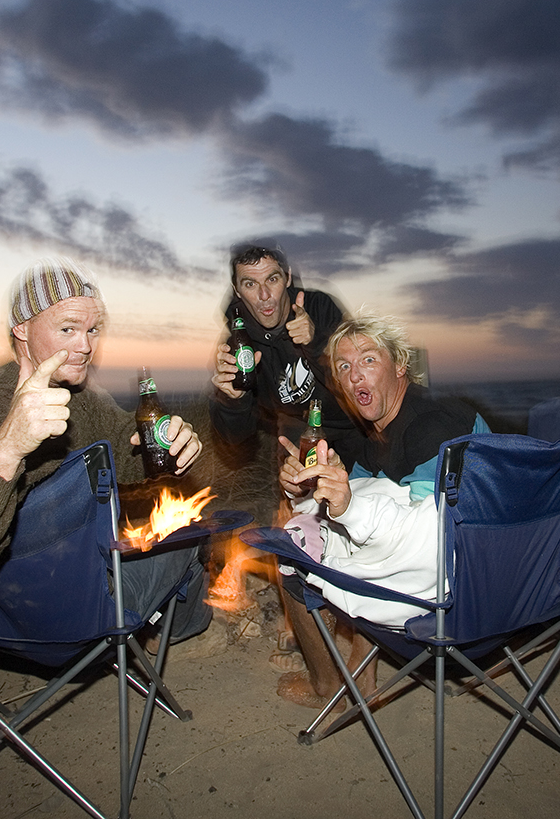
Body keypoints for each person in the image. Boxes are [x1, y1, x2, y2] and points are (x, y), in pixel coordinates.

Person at [0, 256, 212, 644]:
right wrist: (7, 449)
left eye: (92, 329)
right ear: (21, 328)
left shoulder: (75, 392)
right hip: (67, 616)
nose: (85, 346)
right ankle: (186, 634)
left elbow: (123, 445)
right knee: (190, 532)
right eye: (67, 328)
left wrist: (168, 446)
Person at [273, 312, 487, 708]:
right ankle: (363, 668)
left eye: (369, 360)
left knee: (292, 549)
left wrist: (344, 506)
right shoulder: (377, 435)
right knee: (303, 520)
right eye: (343, 367)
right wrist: (307, 488)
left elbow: (429, 541)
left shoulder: (431, 427)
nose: (355, 375)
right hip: (481, 571)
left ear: (400, 364)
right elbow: (360, 495)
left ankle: (330, 684)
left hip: (467, 589)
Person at [209, 242, 362, 467]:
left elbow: (359, 380)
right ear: (237, 290)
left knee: (367, 483)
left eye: (272, 279)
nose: (264, 295)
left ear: (287, 277)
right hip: (297, 429)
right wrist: (233, 400)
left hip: (351, 421)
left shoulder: (320, 308)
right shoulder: (237, 346)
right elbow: (235, 438)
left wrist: (316, 342)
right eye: (250, 284)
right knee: (297, 485)